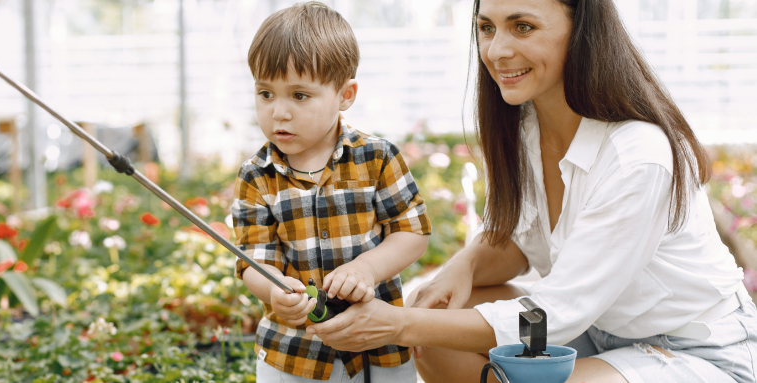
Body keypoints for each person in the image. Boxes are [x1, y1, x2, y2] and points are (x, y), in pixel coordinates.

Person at [304, 0, 757, 382]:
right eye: (486, 28)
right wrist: (462, 267)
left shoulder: (639, 155)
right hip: (594, 334)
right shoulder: (525, 128)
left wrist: (397, 325)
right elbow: (519, 244)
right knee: (435, 330)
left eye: (523, 26)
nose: (497, 50)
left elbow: (558, 311)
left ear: (581, 30)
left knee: (422, 325)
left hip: (697, 349)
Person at [232, 2, 432, 381]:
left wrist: (366, 269)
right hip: (293, 351)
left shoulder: (376, 157)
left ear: (345, 95)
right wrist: (273, 290)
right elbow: (252, 259)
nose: (279, 112)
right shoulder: (256, 176)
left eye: (300, 95)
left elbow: (413, 232)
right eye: (266, 94)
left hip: (377, 346)